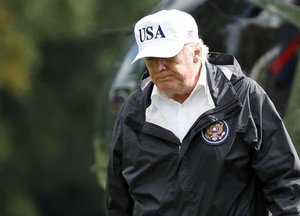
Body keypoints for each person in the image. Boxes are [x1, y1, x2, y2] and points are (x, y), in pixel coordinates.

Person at [105, 9, 300, 216]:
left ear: (197, 53)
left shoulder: (243, 97)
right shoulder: (133, 111)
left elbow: (285, 182)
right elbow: (118, 199)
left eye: (168, 56)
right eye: (150, 59)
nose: (159, 67)